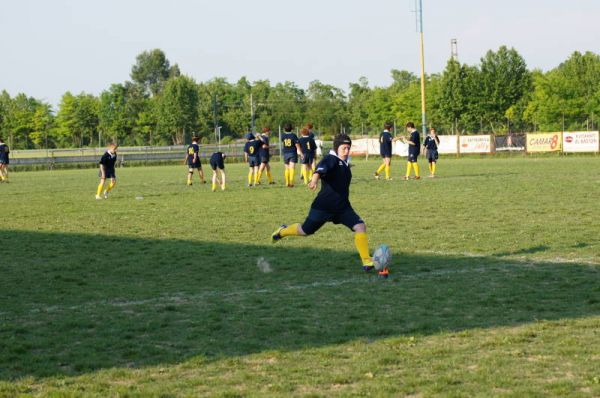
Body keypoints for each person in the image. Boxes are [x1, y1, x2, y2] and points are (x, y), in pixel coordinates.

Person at [271, 134, 388, 277]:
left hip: (342, 207)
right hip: (324, 206)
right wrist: (313, 181)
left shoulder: (344, 161)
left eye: (348, 148)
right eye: (344, 148)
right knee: (305, 230)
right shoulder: (330, 159)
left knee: (360, 226)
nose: (347, 151)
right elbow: (319, 170)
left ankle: (366, 261)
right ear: (336, 148)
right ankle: (281, 232)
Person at [281, 123, 302, 187]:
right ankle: (291, 182)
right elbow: (297, 144)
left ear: (284, 129)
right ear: (291, 129)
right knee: (292, 167)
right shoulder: (293, 135)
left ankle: (287, 182)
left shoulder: (283, 135)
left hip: (285, 153)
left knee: (287, 168)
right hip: (292, 152)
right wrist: (299, 151)